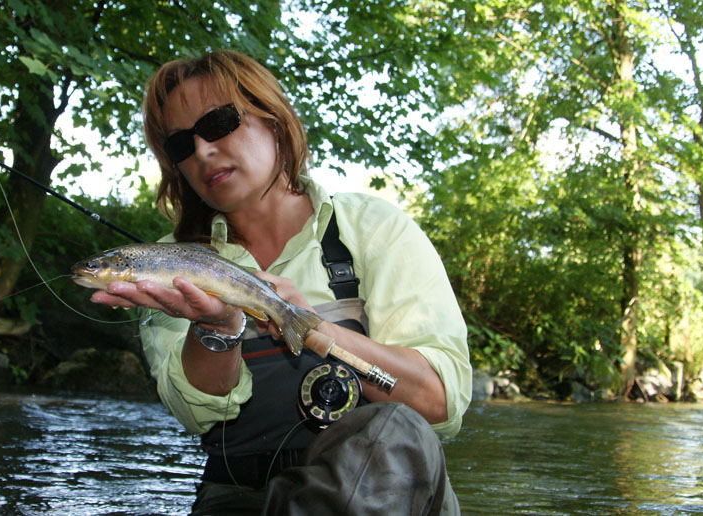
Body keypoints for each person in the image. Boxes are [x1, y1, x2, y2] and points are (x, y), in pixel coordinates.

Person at [87, 50, 471, 515]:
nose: (203, 151)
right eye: (181, 145)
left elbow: (437, 404)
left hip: (385, 493)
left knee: (393, 431)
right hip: (239, 497)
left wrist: (314, 329)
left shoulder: (373, 228)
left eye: (218, 123)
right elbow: (196, 415)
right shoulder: (168, 265)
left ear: (274, 118)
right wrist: (217, 328)